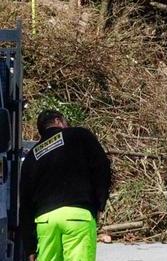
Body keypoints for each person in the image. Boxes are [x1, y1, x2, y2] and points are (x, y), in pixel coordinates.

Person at [20, 110, 112, 261]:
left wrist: (30, 248)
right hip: (77, 216)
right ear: (58, 121)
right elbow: (102, 166)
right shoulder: (79, 135)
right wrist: (99, 203)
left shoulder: (32, 157)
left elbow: (25, 204)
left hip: (45, 221)